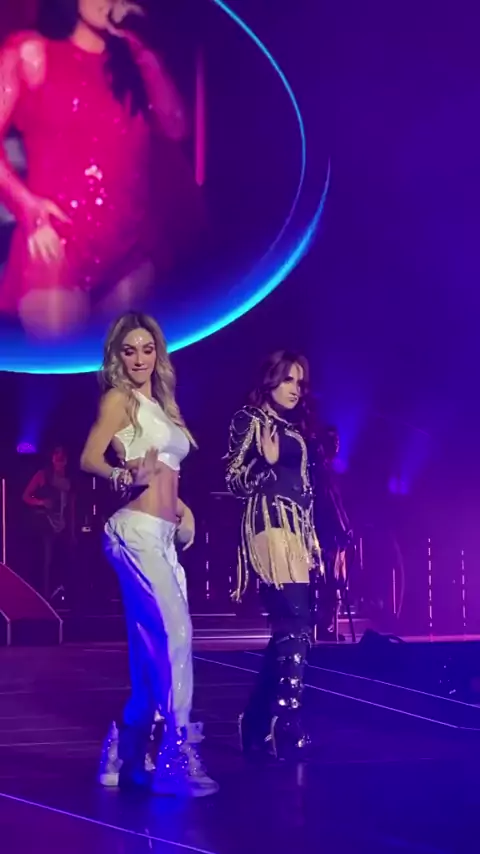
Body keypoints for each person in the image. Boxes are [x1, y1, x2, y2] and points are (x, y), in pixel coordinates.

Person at [0, 0, 201, 338]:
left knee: (115, 367)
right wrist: (27, 208)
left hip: (130, 243)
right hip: (58, 240)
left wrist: (141, 48)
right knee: (62, 365)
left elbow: (177, 127)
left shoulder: (133, 63)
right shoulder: (32, 52)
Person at [80, 310, 218, 797]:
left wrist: (182, 508)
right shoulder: (119, 399)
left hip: (162, 536)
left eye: (146, 349)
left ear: (157, 353)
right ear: (117, 357)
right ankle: (177, 753)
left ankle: (124, 748)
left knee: (149, 653)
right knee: (175, 634)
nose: (139, 359)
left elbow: (164, 473)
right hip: (133, 533)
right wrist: (121, 475)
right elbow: (89, 457)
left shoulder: (160, 404)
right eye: (129, 351)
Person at [225, 350, 321, 760]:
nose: (295, 389)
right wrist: (264, 464)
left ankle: (256, 722)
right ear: (270, 381)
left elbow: (303, 487)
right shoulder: (250, 420)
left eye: (299, 382)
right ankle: (287, 720)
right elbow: (233, 480)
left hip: (296, 530)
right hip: (269, 525)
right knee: (294, 620)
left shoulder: (291, 429)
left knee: (292, 626)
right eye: (287, 380)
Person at [311, 425, 353, 641]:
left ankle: (324, 624)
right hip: (327, 532)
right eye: (332, 440)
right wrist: (342, 527)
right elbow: (330, 503)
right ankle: (323, 625)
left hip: (330, 531)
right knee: (330, 581)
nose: (336, 445)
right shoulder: (320, 471)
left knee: (332, 581)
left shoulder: (325, 470)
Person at [22, 444, 75, 603]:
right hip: (45, 522)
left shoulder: (68, 480)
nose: (59, 457)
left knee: (64, 559)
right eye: (56, 454)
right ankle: (44, 596)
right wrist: (41, 502)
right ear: (52, 458)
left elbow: (71, 507)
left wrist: (72, 530)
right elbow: (26, 496)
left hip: (63, 523)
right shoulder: (43, 475)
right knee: (47, 560)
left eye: (62, 454)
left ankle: (62, 593)